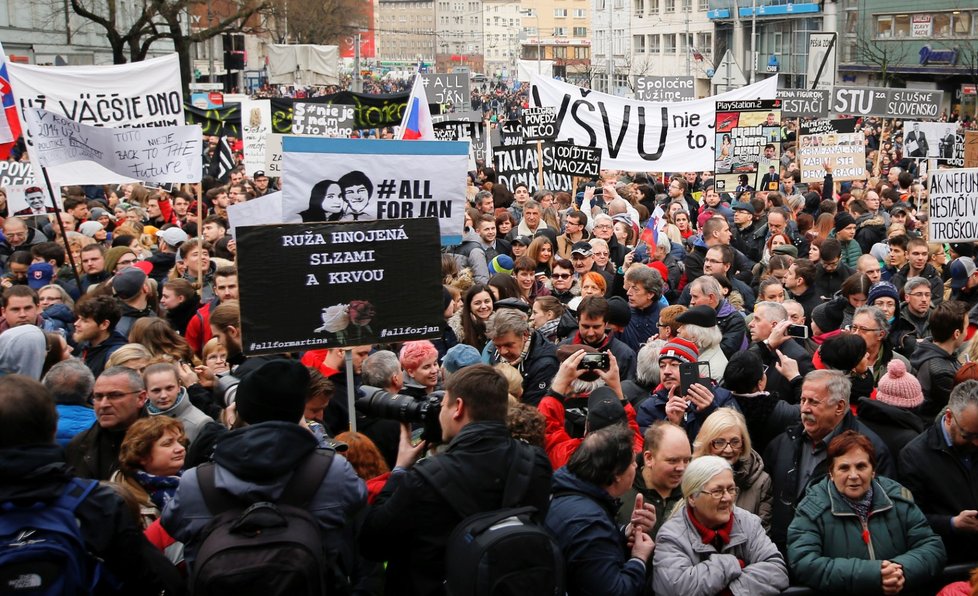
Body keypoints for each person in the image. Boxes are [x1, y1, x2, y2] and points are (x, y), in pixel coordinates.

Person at [162, 359, 366, 579]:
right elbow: (356, 502)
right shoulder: (332, 472)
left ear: (238, 414)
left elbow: (172, 524)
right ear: (298, 415)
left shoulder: (196, 482)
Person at [360, 364, 552, 596]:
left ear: (457, 408)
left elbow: (372, 543)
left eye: (442, 405)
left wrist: (400, 470)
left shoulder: (424, 479)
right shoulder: (535, 463)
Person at [0, 375, 184, 594]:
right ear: (52, 430)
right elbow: (154, 579)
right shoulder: (96, 503)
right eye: (97, 396)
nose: (104, 403)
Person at [788, 431, 946, 594]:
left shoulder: (897, 499)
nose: (854, 475)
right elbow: (804, 562)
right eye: (844, 468)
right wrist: (874, 574)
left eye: (861, 466)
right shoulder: (811, 508)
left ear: (873, 471)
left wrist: (899, 571)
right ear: (831, 473)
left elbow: (932, 547)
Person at [764, 369, 895, 551]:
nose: (804, 409)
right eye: (802, 400)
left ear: (839, 407)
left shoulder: (870, 450)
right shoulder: (784, 443)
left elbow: (882, 517)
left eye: (813, 402)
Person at [652, 456, 789, 596]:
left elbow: (776, 570)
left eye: (731, 489)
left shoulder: (748, 523)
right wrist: (732, 564)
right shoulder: (671, 536)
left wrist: (731, 592)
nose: (728, 498)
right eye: (717, 492)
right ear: (692, 497)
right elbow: (677, 588)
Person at [546, 424, 655, 596]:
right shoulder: (589, 524)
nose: (636, 467)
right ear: (617, 474)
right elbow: (616, 591)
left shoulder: (567, 493)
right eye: (633, 462)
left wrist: (624, 532)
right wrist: (639, 559)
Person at [899, 380, 978, 564]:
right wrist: (953, 523)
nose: (976, 443)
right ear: (949, 417)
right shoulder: (914, 456)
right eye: (968, 436)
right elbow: (909, 518)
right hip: (951, 562)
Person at [693, 408, 772, 530]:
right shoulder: (691, 477)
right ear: (706, 444)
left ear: (743, 444)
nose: (729, 450)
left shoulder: (760, 482)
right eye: (719, 442)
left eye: (735, 442)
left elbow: (762, 533)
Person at [65, 366, 149, 481]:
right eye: (98, 396)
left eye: (114, 395)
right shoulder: (79, 444)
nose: (104, 404)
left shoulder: (163, 441)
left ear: (140, 398)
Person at [112, 416, 188, 529]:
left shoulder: (191, 480)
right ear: (142, 455)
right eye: (167, 444)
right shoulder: (123, 502)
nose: (180, 448)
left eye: (179, 441)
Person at [483, 308, 558, 406]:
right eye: (497, 346)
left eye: (509, 345)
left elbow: (533, 409)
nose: (503, 352)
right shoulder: (498, 344)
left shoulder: (546, 364)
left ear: (525, 335)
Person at [910, 300, 968, 420]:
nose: (967, 333)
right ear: (956, 334)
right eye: (966, 328)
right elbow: (961, 407)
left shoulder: (926, 347)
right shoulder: (942, 372)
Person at [561, 295, 636, 380]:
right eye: (585, 326)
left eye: (596, 327)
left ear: (606, 324)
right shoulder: (564, 348)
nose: (590, 333)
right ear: (578, 321)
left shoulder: (625, 355)